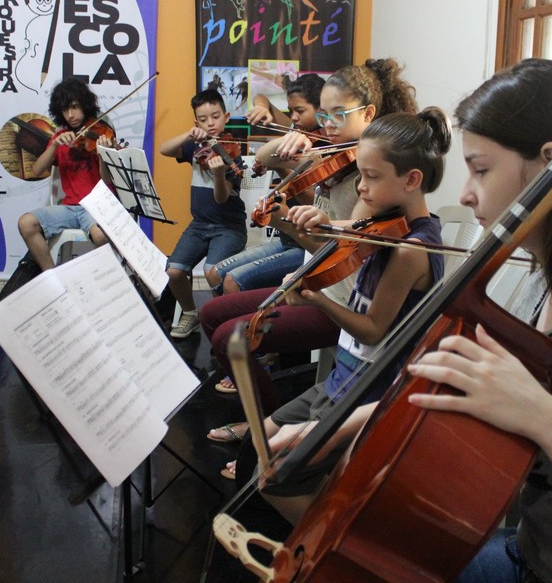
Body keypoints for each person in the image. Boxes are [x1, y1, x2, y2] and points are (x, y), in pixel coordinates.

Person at [268, 59, 552, 582]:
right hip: (528, 554)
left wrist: (543, 416)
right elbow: (459, 391)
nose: (464, 193)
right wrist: (334, 425)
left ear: (551, 163)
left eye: (481, 168)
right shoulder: (538, 280)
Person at [200, 59, 417, 441]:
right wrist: (290, 139)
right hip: (310, 282)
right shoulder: (331, 156)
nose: (328, 126)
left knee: (227, 339)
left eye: (338, 116)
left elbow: (341, 257)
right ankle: (269, 424)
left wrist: (284, 222)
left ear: (368, 114)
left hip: (338, 299)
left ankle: (261, 431)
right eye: (323, 116)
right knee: (211, 313)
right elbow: (265, 160)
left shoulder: (372, 180)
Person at [206, 74, 327, 297]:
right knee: (214, 273)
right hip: (286, 240)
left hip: (306, 247)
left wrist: (279, 165)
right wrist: (262, 107)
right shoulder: (295, 131)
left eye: (299, 111)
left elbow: (315, 202)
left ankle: (238, 328)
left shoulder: (325, 149)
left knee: (232, 281)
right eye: (291, 111)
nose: (294, 118)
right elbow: (262, 97)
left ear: (322, 108)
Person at [160, 89, 248, 338]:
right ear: (196, 122)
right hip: (199, 224)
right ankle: (190, 313)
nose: (210, 123)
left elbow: (221, 198)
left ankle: (223, 317)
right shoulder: (195, 148)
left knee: (213, 272)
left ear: (226, 117)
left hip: (228, 227)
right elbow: (164, 149)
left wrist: (220, 174)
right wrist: (188, 135)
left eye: (215, 116)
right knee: (174, 271)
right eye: (203, 119)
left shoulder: (232, 155)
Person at [16, 77, 116, 273]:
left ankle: (102, 279)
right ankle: (53, 277)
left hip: (95, 207)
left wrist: (103, 154)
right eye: (65, 110)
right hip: (69, 208)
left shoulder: (99, 133)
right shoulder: (59, 139)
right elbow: (36, 170)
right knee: (26, 223)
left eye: (75, 107)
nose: (71, 115)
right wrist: (54, 145)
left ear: (85, 106)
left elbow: (107, 181)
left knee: (101, 235)